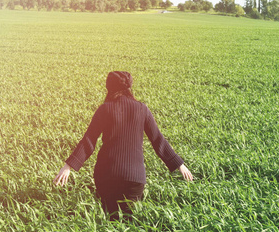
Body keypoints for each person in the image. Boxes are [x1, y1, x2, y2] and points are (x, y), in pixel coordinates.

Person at [54, 71, 193, 220]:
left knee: (110, 222)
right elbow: (158, 140)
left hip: (107, 175)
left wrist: (68, 166)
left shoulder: (105, 109)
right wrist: (179, 164)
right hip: (135, 178)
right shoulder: (142, 109)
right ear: (129, 88)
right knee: (129, 225)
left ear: (109, 88)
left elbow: (89, 140)